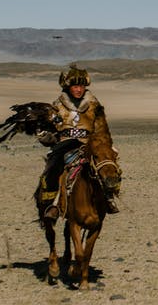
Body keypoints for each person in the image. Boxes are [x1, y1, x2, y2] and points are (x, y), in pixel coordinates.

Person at [36, 64, 118, 219]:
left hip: (89, 144)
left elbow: (102, 129)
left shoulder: (94, 106)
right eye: (75, 86)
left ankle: (108, 197)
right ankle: (52, 204)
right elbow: (50, 132)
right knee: (52, 168)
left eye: (81, 86)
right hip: (64, 145)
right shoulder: (57, 106)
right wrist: (44, 136)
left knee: (109, 164)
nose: (78, 90)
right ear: (68, 87)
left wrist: (104, 145)